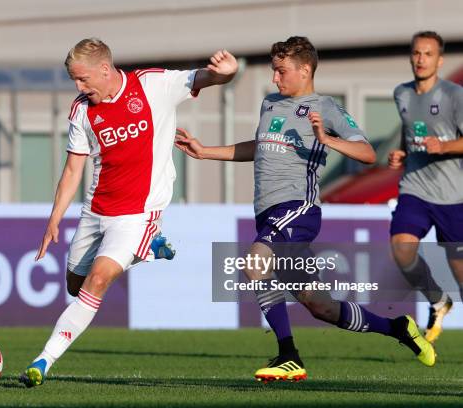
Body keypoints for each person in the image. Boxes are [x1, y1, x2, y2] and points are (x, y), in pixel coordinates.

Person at [175, 36, 435, 383]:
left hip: (298, 208)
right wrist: (206, 151)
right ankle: (399, 328)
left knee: (254, 264)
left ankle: (288, 356)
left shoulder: (325, 108)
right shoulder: (270, 104)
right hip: (268, 213)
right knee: (321, 306)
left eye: (281, 71)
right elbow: (261, 147)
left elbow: (367, 154)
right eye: (274, 71)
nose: (275, 78)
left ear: (305, 70)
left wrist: (327, 139)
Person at [19, 38, 238, 387]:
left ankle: (43, 361)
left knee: (99, 279)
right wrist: (54, 218)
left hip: (138, 213)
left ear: (104, 69)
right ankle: (148, 249)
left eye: (83, 79)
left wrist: (227, 73)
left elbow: (201, 78)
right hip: (95, 210)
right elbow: (73, 169)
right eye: (75, 80)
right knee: (76, 286)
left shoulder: (151, 85)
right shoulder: (81, 110)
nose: (79, 87)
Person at [388, 31, 463, 344]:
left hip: (452, 194)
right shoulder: (401, 93)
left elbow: (448, 141)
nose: (421, 59)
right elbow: (411, 134)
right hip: (415, 188)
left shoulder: (454, 95)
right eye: (417, 53)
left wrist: (443, 147)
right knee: (402, 250)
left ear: (439, 60)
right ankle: (437, 299)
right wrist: (402, 153)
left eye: (428, 54)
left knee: (460, 271)